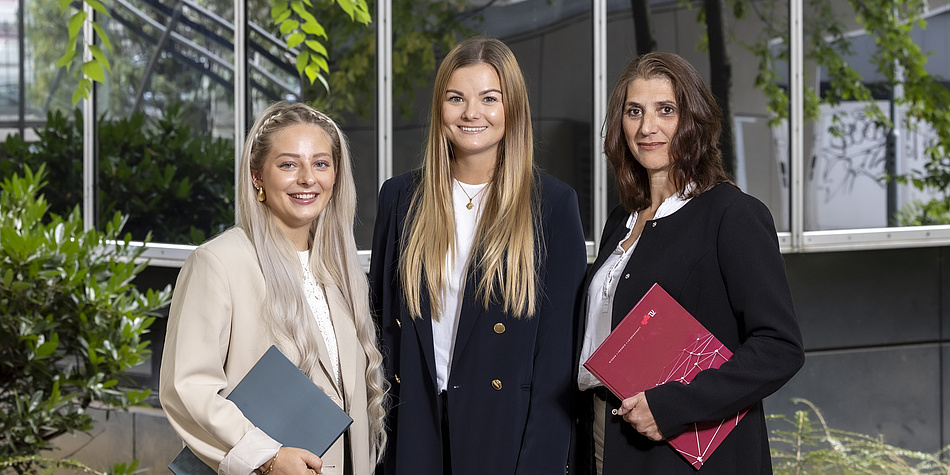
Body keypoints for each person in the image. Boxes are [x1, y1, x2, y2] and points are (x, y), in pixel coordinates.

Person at [574, 52, 805, 474]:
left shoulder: (732, 215)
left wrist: (672, 406)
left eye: (666, 110)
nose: (647, 127)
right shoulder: (620, 221)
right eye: (634, 111)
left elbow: (779, 348)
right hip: (604, 434)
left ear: (693, 119)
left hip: (685, 448)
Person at [370, 36, 587, 474]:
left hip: (504, 434)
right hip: (414, 426)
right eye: (456, 98)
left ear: (514, 109)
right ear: (439, 108)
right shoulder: (400, 198)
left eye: (490, 98)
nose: (472, 113)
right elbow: (381, 330)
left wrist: (539, 464)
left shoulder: (551, 204)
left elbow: (557, 362)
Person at [160, 101, 387, 475]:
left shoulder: (341, 271)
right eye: (287, 164)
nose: (307, 178)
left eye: (320, 163)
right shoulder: (219, 262)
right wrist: (266, 456)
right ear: (257, 177)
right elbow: (187, 390)